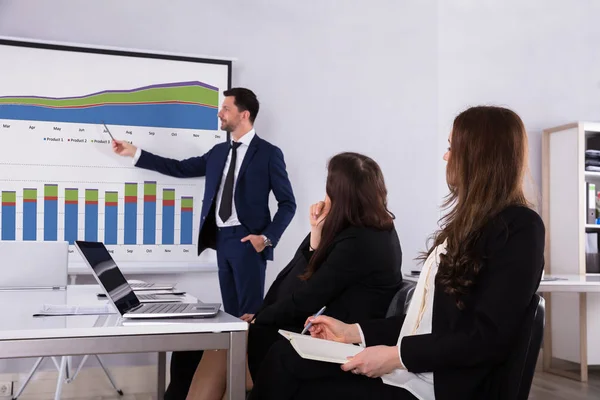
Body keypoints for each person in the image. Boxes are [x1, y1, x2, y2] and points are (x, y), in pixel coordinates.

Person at [248, 106, 546, 400]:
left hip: (438, 388)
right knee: (286, 355)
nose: (446, 156)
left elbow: (486, 338)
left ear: (478, 156)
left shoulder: (521, 228)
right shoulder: (467, 227)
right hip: (412, 373)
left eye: (452, 148)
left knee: (287, 369)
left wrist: (395, 357)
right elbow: (425, 323)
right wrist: (352, 332)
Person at [111, 87, 296, 399]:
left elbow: (287, 203)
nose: (220, 114)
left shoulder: (268, 153)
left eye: (225, 108)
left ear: (244, 114)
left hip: (248, 243)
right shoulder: (219, 152)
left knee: (249, 321)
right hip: (221, 242)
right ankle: (230, 383)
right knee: (231, 320)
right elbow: (181, 168)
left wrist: (266, 238)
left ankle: (251, 386)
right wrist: (136, 153)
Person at [185, 152, 403, 400]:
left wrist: (259, 319)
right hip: (322, 332)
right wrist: (315, 238)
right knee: (218, 347)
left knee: (223, 347)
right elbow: (292, 284)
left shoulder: (359, 241)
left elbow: (304, 299)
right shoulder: (368, 229)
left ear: (339, 194)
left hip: (336, 343)